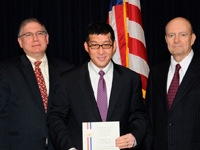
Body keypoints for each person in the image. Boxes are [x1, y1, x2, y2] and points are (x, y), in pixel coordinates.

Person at [47, 21, 148, 150]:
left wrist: (134, 137)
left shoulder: (131, 79)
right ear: (86, 47)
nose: (101, 51)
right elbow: (56, 118)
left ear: (114, 46)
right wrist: (69, 148)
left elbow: (139, 115)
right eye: (95, 45)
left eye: (106, 45)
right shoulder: (67, 80)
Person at [0, 18, 74, 150]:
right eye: (28, 35)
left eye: (39, 33)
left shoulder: (67, 70)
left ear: (47, 38)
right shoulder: (6, 70)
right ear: (20, 42)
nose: (35, 39)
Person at [144, 17, 200, 150]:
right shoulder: (156, 73)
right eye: (171, 35)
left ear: (192, 38)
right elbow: (150, 120)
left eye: (182, 34)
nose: (176, 40)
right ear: (166, 39)